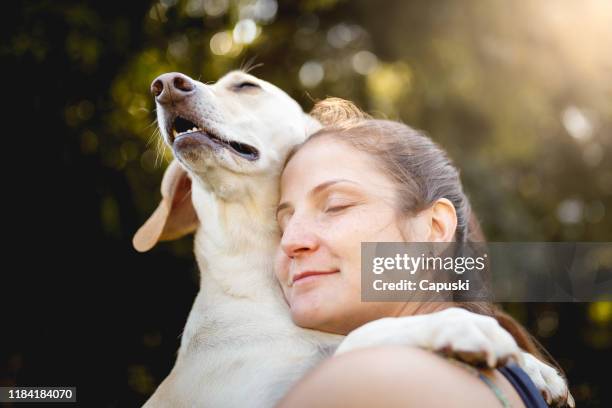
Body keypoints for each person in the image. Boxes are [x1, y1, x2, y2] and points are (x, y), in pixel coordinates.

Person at [273, 98, 555, 407]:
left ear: (434, 227)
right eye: (282, 225)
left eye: (336, 205)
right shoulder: (512, 380)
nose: (290, 242)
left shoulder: (367, 384)